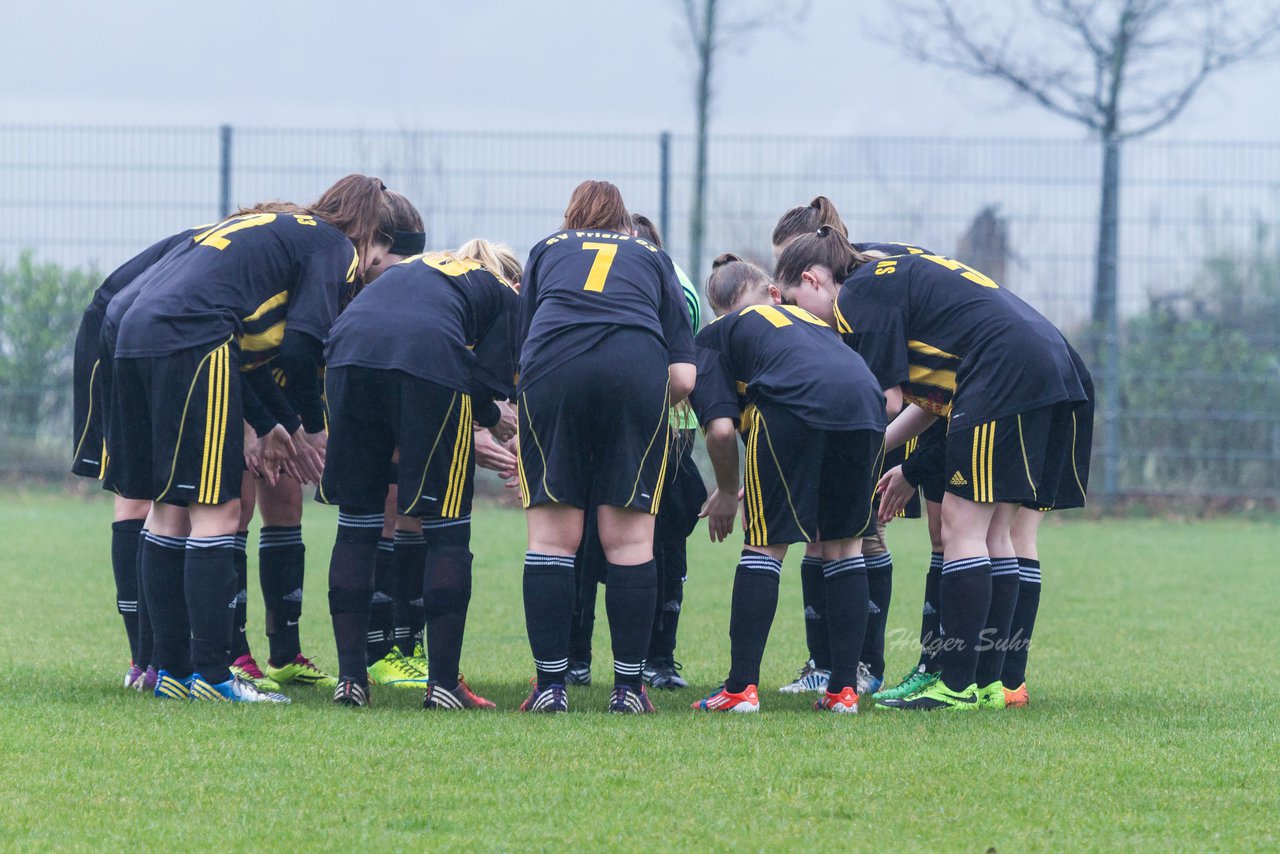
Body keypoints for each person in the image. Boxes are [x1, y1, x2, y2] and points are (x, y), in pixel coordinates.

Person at [775, 226, 1093, 711]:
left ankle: (957, 685)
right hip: (1032, 361)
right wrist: (885, 456)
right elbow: (931, 401)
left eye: (798, 306)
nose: (807, 323)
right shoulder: (883, 276)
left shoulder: (856, 297)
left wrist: (825, 461)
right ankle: (987, 684)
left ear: (813, 281)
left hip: (1004, 370)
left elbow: (882, 401)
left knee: (961, 527)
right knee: (995, 534)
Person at [106, 174, 394, 703]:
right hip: (193, 340)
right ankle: (214, 676)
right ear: (369, 231)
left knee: (168, 508)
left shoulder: (274, 230)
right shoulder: (334, 246)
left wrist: (271, 425)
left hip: (134, 335)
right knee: (216, 508)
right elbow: (300, 348)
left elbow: (253, 355)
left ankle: (168, 670)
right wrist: (315, 426)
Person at [515, 180, 695, 714]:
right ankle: (629, 689)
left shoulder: (547, 249)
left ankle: (550, 687)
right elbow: (684, 378)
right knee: (630, 544)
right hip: (634, 376)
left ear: (571, 217)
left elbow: (521, 359)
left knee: (551, 541)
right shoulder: (652, 255)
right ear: (623, 222)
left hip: (553, 373)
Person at [320, 241, 520, 708]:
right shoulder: (506, 294)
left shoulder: (419, 269)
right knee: (448, 530)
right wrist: (496, 417)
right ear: (514, 281)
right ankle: (444, 686)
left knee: (357, 524)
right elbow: (483, 385)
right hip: (427, 360)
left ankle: (350, 680)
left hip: (345, 355)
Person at [689, 255, 886, 714]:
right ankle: (843, 691)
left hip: (791, 406)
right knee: (844, 547)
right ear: (771, 291)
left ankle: (740, 689)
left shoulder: (717, 334)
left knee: (765, 546)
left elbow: (720, 430)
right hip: (865, 405)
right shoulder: (813, 321)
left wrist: (723, 490)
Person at [771, 196, 931, 697]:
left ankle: (865, 664)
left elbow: (888, 391)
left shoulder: (863, 286)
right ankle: (823, 663)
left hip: (887, 417)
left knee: (863, 536)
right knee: (821, 535)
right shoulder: (841, 282)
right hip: (850, 419)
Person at [563, 213, 705, 691]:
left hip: (662, 429)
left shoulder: (672, 285)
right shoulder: (630, 274)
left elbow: (681, 369)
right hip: (614, 422)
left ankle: (656, 659)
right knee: (592, 538)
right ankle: (579, 657)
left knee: (657, 542)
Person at [71, 225, 209, 691]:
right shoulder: (243, 255)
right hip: (119, 335)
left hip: (136, 333)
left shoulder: (238, 247)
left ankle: (156, 661)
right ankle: (145, 660)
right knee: (138, 494)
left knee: (160, 497)